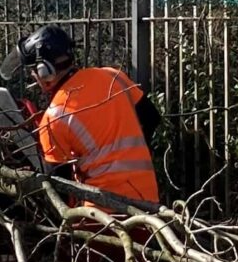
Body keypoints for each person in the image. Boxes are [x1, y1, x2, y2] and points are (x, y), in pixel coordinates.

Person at [21, 25, 159, 205]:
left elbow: (58, 187)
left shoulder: (55, 116)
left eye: (34, 71)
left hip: (102, 210)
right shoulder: (114, 77)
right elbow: (152, 118)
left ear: (44, 71)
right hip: (147, 199)